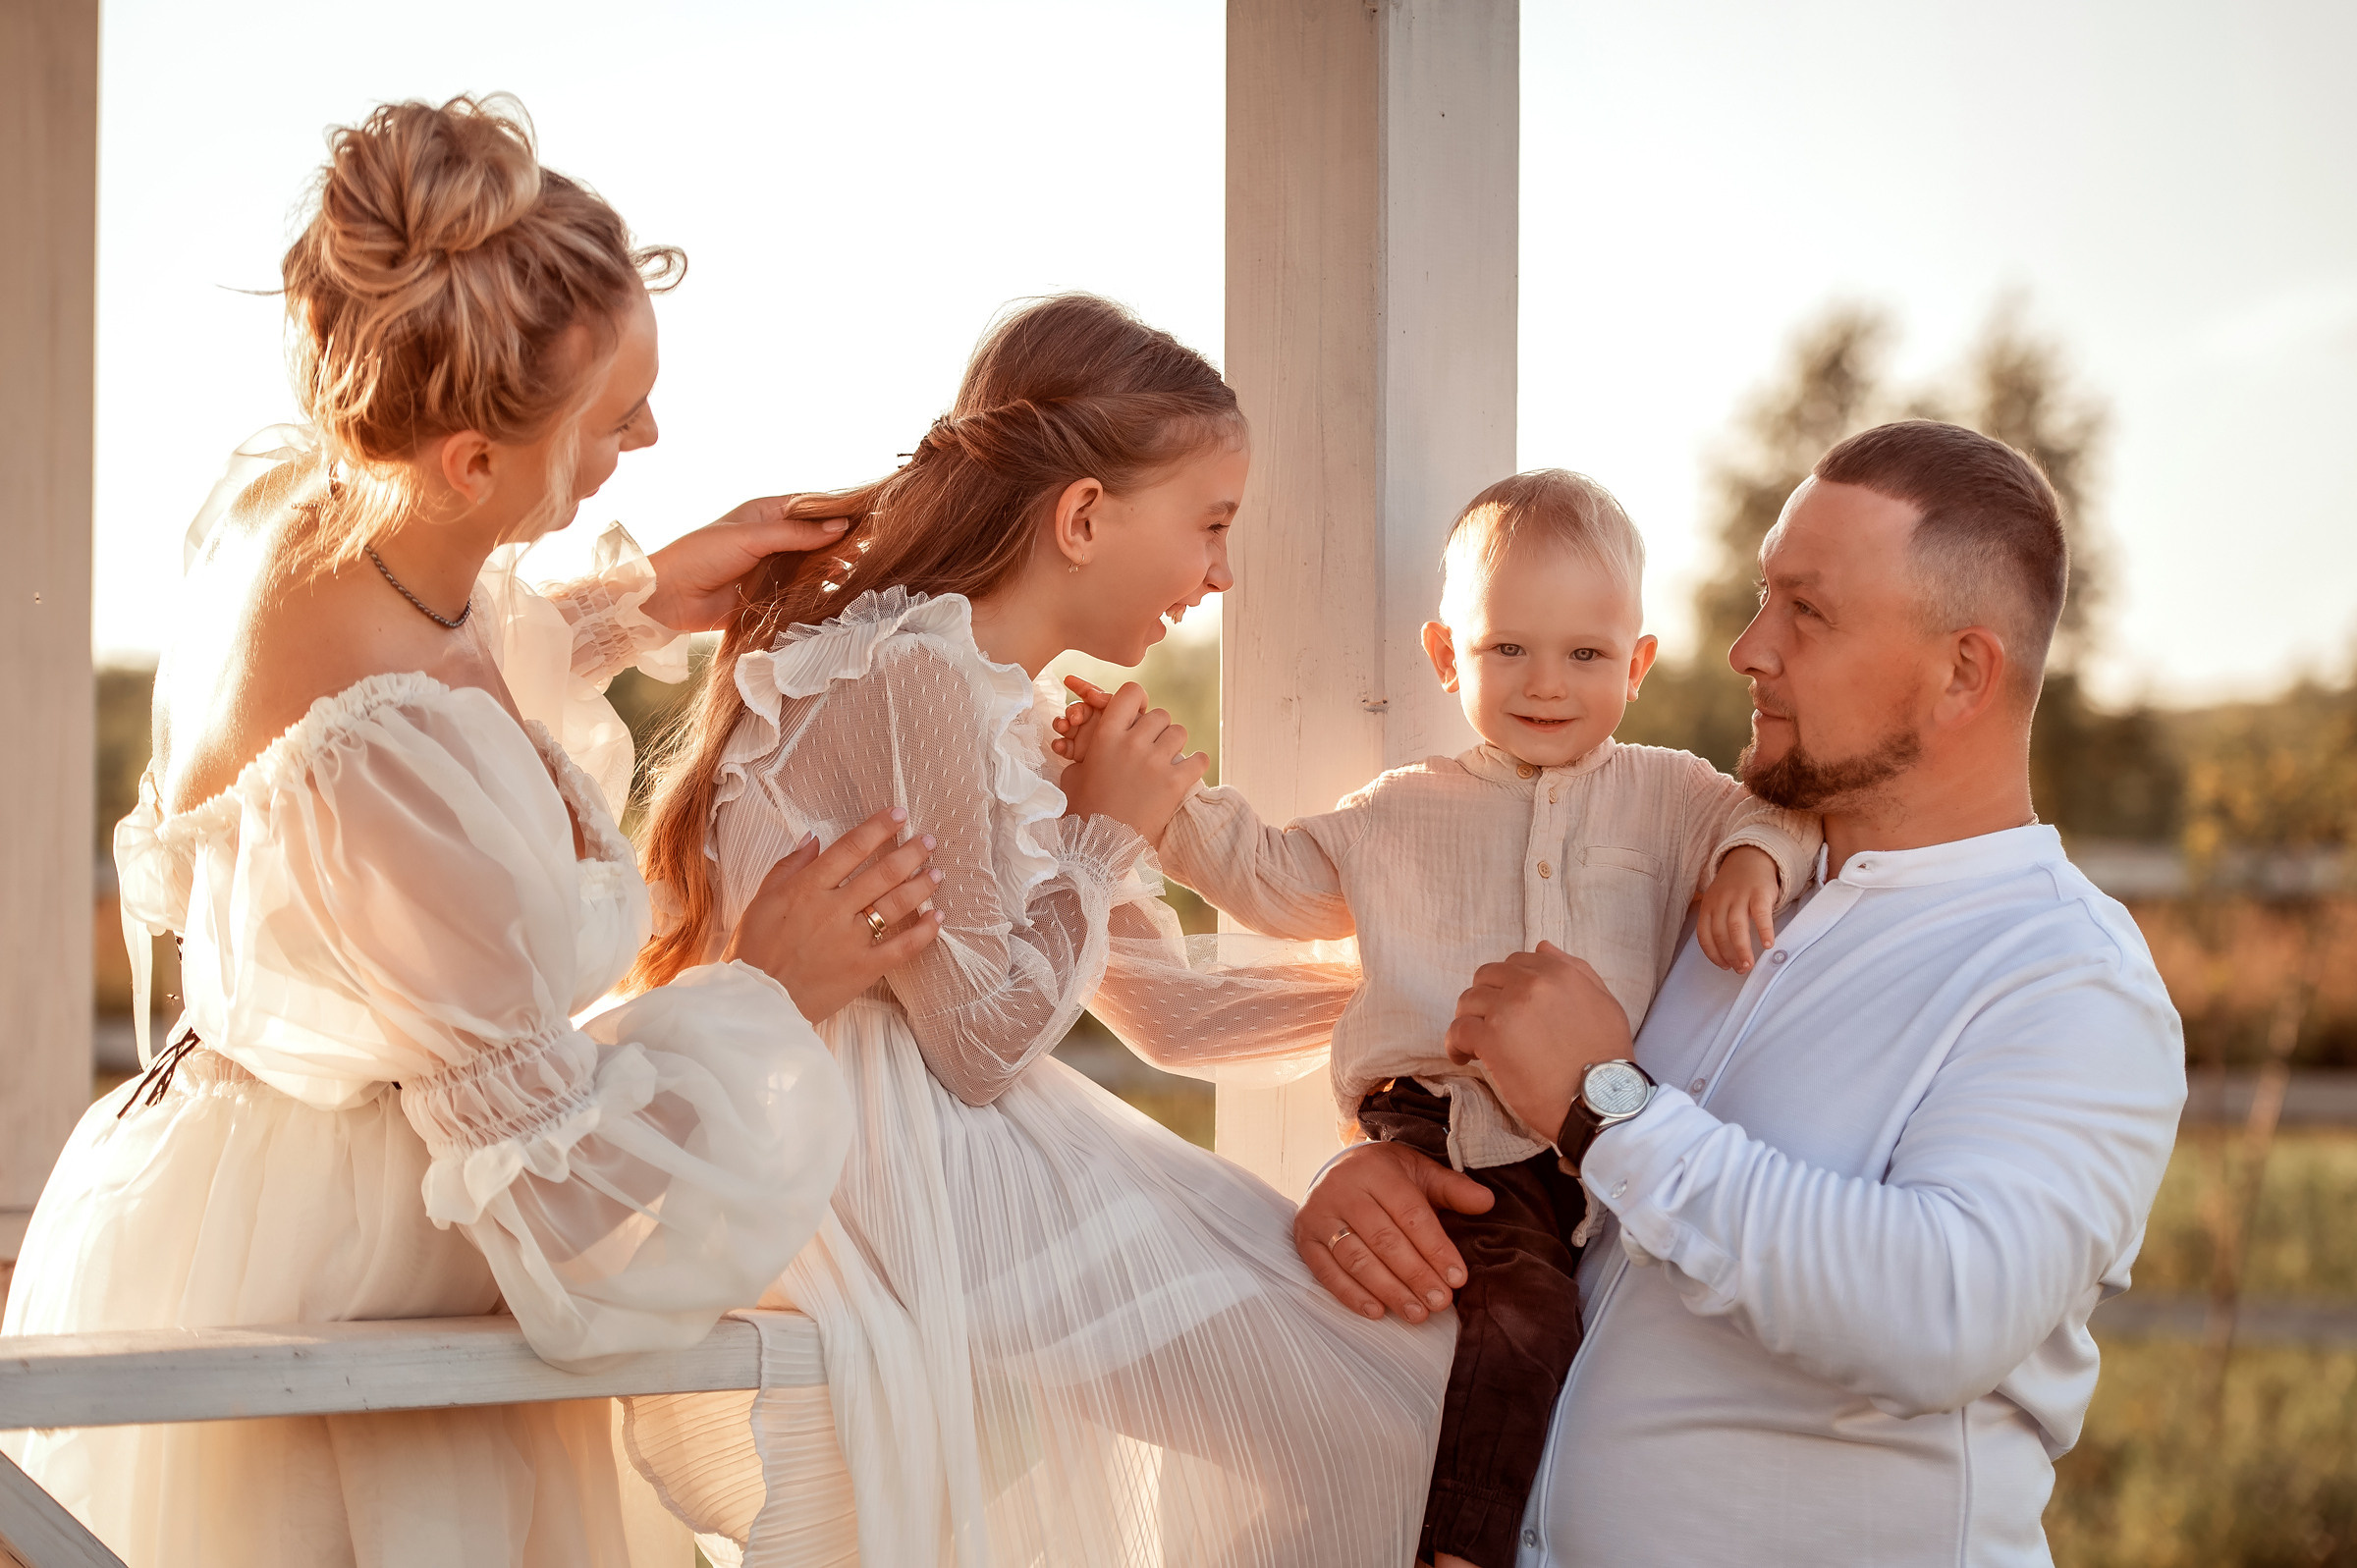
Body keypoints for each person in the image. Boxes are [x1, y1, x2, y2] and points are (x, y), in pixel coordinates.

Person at [0, 95, 942, 1568]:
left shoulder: (314, 503)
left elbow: (430, 655)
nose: (650, 433)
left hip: (271, 1176)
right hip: (351, 1282)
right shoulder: (382, 768)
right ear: (469, 464)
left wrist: (637, 601)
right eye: (613, 417)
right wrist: (770, 989)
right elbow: (564, 1202)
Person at [621, 293, 1453, 1567]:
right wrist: (1107, 827)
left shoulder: (1014, 705)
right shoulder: (916, 674)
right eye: (1211, 528)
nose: (1223, 574)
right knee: (1374, 1416)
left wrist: (1416, 999)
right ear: (1082, 519)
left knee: (1402, 1395)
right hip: (890, 1166)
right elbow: (978, 1046)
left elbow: (1168, 1014)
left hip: (971, 1143)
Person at [1294, 421, 2185, 1567]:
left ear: (1963, 669)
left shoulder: (2065, 977)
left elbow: (1942, 1314)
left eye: (1806, 610)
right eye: (1765, 597)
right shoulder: (1702, 887)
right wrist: (1375, 1164)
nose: (1748, 648)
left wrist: (1603, 1100)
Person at [1059, 467, 1819, 1568]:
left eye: (1587, 654)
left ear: (1639, 663)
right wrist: (1164, 795)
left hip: (1583, 1141)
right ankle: (1458, 1552)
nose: (1546, 684)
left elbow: (1775, 810)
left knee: (1588, 1344)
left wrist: (1753, 858)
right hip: (1439, 1129)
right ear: (1446, 654)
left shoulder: (1673, 795)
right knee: (1522, 1324)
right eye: (1507, 649)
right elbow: (1270, 876)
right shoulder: (1401, 810)